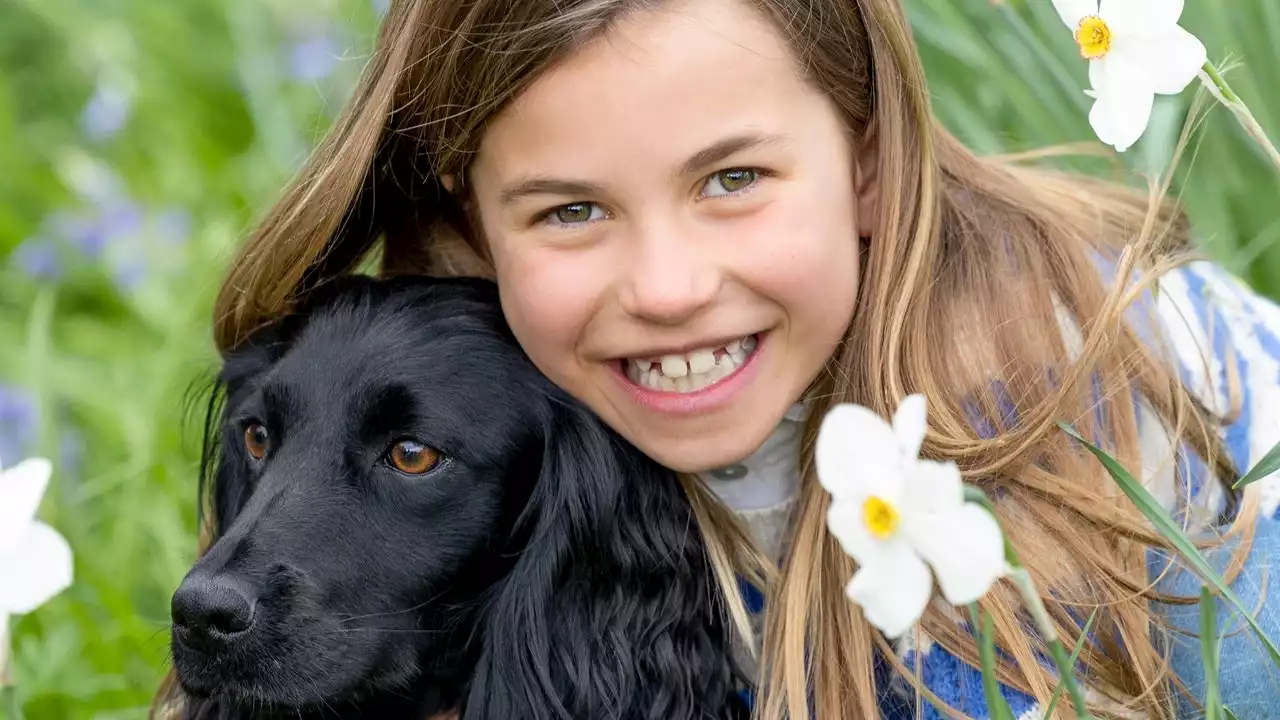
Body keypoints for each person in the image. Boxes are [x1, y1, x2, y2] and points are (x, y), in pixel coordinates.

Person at [190, 0, 1280, 717]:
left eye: (730, 181)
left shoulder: (1100, 407)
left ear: (867, 161)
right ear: (471, 227)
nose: (667, 288)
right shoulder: (516, 396)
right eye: (572, 208)